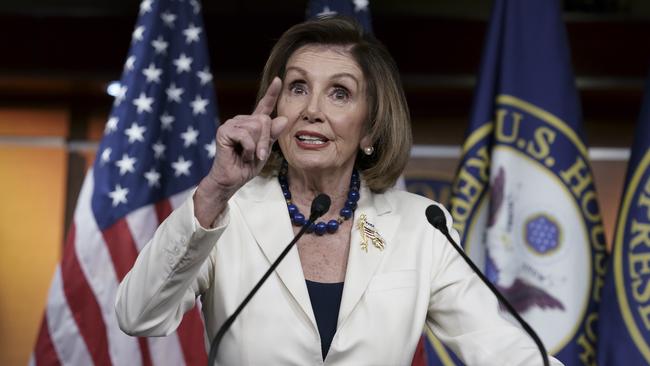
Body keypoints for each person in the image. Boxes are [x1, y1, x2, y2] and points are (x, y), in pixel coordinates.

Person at [115, 16, 563, 365]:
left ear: (370, 127)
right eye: (297, 88)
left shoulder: (422, 227)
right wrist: (215, 190)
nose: (312, 110)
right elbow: (139, 315)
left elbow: (500, 348)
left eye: (340, 94)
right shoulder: (226, 214)